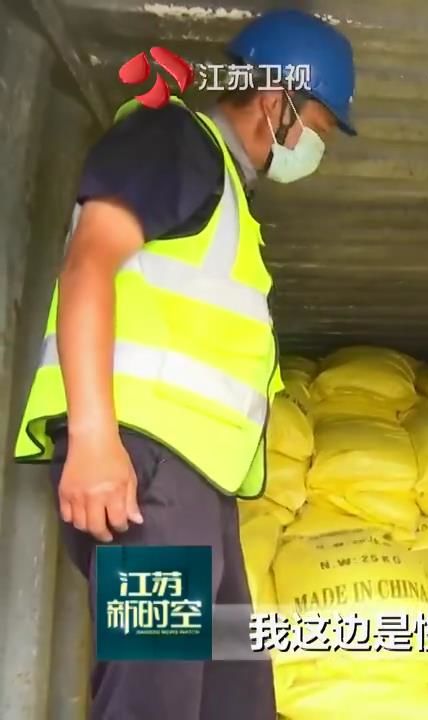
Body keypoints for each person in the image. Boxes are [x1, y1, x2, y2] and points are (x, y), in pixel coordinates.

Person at [12, 9, 356, 719]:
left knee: (235, 699)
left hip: (192, 489)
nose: (316, 146)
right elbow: (87, 267)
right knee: (154, 698)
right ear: (278, 102)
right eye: (319, 127)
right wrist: (95, 439)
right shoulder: (172, 140)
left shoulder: (227, 194)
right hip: (144, 474)